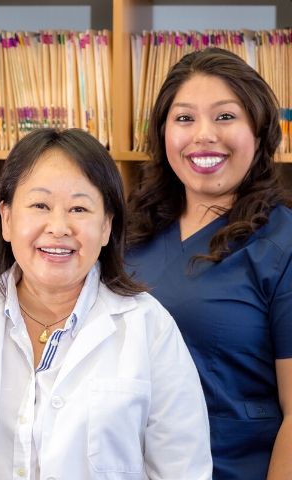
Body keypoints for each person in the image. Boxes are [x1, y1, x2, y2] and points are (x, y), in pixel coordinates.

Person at [0, 127, 212, 479]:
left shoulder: (150, 327)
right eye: (40, 205)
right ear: (7, 219)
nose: (58, 227)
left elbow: (183, 470)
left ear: (106, 227)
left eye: (79, 208)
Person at [126, 47, 292, 479]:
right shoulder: (127, 231)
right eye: (184, 118)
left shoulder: (282, 244)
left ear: (259, 129)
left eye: (224, 117)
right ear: (162, 133)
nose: (203, 135)